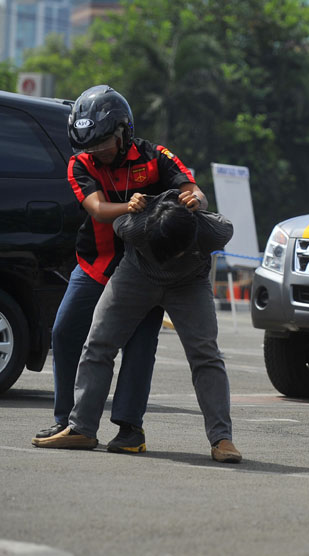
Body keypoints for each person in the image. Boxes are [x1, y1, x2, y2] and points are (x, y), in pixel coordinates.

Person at [33, 85, 206, 453]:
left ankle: (130, 429)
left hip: (145, 269)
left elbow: (192, 188)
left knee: (140, 345)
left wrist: (194, 197)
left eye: (102, 145)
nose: (96, 153)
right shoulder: (80, 164)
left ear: (123, 132)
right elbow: (96, 208)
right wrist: (129, 206)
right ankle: (68, 421)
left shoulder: (155, 156)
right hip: (95, 265)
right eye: (88, 147)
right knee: (65, 332)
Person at [33, 189, 242, 463]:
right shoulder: (132, 226)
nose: (169, 260)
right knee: (98, 344)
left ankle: (221, 439)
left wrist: (198, 200)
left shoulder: (215, 230)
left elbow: (204, 203)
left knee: (206, 355)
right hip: (136, 276)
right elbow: (116, 221)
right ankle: (82, 428)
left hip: (189, 285)